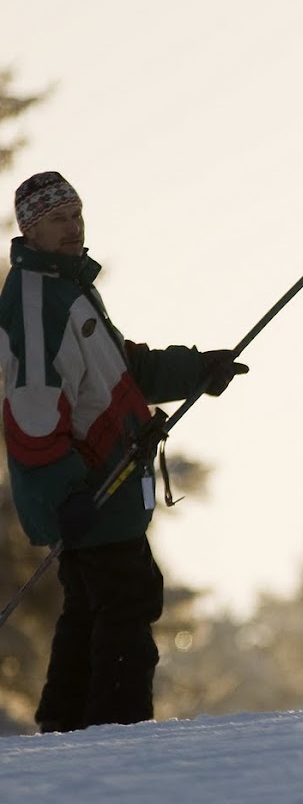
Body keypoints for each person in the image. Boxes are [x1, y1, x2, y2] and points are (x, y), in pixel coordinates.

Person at [0, 171, 248, 731]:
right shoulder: (39, 302)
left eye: (77, 215)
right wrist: (67, 495)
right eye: (59, 219)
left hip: (102, 482)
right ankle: (118, 733)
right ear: (31, 229)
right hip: (89, 488)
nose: (73, 228)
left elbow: (120, 370)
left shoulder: (67, 286)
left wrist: (197, 369)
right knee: (128, 600)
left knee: (91, 612)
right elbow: (35, 410)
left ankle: (67, 733)